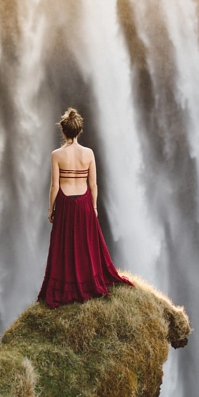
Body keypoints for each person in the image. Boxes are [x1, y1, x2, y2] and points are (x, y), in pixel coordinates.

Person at [38, 107, 133, 308]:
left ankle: (66, 286)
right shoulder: (88, 153)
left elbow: (55, 185)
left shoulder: (56, 155)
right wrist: (95, 207)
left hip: (65, 202)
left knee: (64, 245)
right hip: (84, 203)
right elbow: (93, 184)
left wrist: (50, 209)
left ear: (63, 131)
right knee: (85, 245)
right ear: (79, 131)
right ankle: (88, 280)